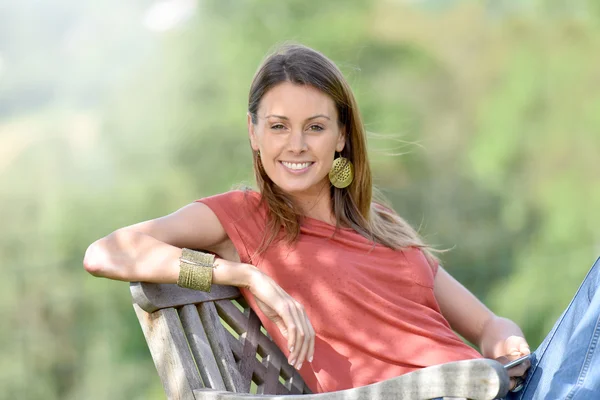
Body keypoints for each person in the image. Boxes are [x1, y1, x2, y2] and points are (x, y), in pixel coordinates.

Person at [83, 43, 599, 399]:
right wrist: (241, 274)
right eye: (278, 126)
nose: (297, 144)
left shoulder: (381, 223)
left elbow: (485, 323)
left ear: (342, 136)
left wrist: (507, 345)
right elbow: (106, 253)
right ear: (253, 133)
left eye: (315, 126)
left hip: (486, 385)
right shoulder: (243, 217)